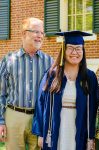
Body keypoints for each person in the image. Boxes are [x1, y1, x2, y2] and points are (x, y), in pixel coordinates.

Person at [32, 31, 99, 150]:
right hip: (54, 129)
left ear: (83, 51)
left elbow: (94, 108)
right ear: (63, 50)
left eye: (79, 48)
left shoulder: (89, 77)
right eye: (70, 48)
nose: (75, 52)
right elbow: (40, 104)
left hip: (79, 129)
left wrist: (91, 136)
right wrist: (41, 134)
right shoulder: (52, 75)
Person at [0, 17, 53, 150]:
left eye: (42, 33)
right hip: (14, 116)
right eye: (36, 32)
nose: (40, 36)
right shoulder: (8, 60)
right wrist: (1, 121)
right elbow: (1, 93)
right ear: (24, 34)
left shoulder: (49, 62)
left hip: (39, 118)